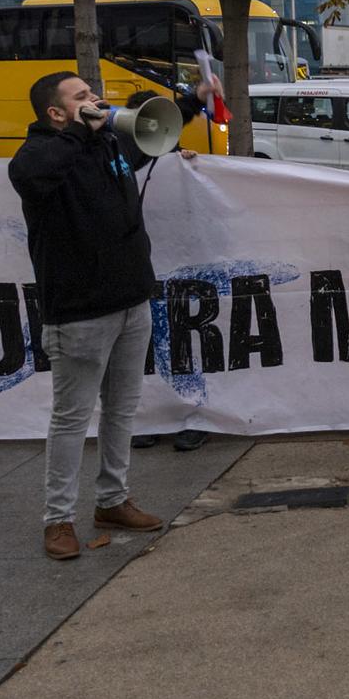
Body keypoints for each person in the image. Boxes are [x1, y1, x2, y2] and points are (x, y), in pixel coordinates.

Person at [10, 71, 194, 561]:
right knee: (71, 418)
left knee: (121, 409)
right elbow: (35, 176)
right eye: (82, 97)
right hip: (79, 311)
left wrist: (194, 103)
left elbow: (151, 141)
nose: (96, 100)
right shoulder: (37, 156)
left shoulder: (107, 146)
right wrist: (80, 131)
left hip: (132, 301)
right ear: (55, 113)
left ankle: (113, 499)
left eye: (94, 94)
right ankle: (59, 519)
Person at [125, 88, 213, 456]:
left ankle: (193, 418)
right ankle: (147, 419)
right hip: (136, 272)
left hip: (178, 272)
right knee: (139, 352)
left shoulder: (174, 160)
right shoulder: (111, 158)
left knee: (184, 346)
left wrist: (186, 169)